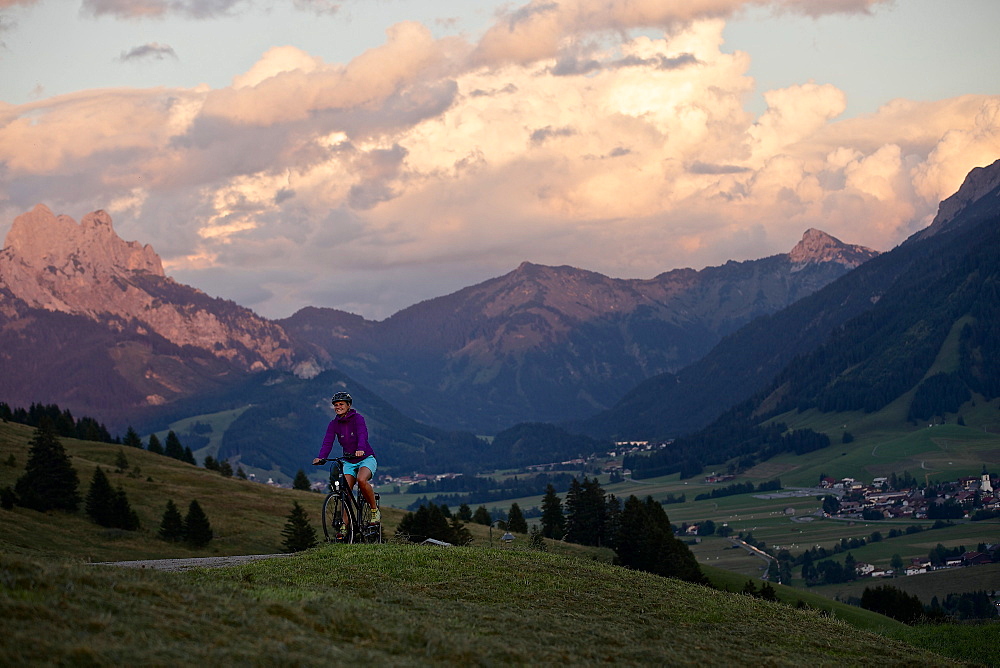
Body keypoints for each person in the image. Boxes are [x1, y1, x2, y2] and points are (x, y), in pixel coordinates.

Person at [312, 391, 380, 529]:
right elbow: (327, 442)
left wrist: (360, 448)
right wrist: (321, 457)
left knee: (361, 480)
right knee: (345, 493)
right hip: (348, 461)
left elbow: (362, 434)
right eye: (336, 405)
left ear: (348, 405)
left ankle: (374, 511)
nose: (338, 407)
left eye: (341, 404)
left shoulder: (358, 418)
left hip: (365, 458)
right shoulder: (333, 424)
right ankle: (344, 526)